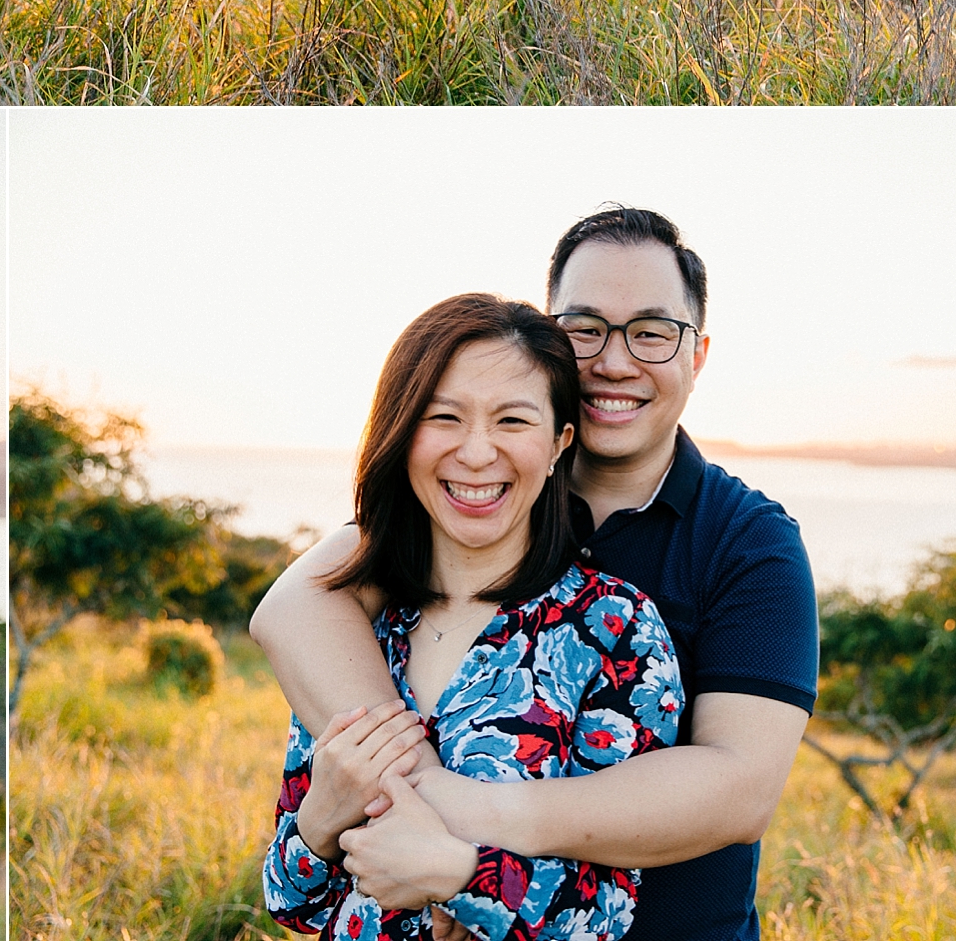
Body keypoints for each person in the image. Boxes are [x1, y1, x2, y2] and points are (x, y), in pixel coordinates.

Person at [251, 208, 817, 941]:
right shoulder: (458, 511)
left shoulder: (747, 545)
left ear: (697, 354)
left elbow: (738, 790)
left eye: (651, 332)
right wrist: (340, 810)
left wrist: (451, 837)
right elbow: (294, 606)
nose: (614, 361)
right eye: (585, 328)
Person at [262, 294, 683, 941]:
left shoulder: (613, 630)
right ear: (402, 434)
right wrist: (320, 820)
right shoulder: (357, 627)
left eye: (512, 421)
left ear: (557, 444)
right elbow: (292, 904)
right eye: (445, 417)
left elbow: (606, 915)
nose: (478, 452)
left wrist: (460, 878)